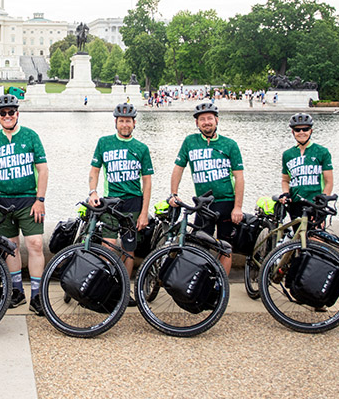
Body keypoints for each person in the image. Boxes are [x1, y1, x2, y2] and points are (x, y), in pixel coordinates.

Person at [0, 94, 49, 315]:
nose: (7, 116)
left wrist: (40, 199)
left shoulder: (30, 136)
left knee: (36, 245)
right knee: (10, 248)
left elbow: (43, 169)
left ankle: (38, 296)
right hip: (2, 202)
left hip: (28, 200)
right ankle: (17, 291)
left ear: (17, 114)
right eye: (3, 113)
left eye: (11, 112)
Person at [169, 101, 244, 274]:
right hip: (203, 204)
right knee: (199, 246)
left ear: (216, 120)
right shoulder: (190, 142)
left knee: (225, 248)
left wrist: (238, 207)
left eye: (210, 118)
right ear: (197, 123)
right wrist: (174, 193)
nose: (206, 122)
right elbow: (178, 169)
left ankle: (221, 287)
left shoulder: (229, 144)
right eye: (202, 119)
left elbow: (239, 177)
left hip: (226, 202)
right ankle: (203, 283)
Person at [88, 103, 153, 302]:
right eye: (121, 121)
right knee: (108, 245)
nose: (125, 125)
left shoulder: (141, 148)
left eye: (128, 121)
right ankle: (105, 286)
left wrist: (144, 213)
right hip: (111, 201)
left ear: (134, 123)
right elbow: (95, 170)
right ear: (115, 122)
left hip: (133, 201)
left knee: (129, 248)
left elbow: (147, 182)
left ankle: (125, 289)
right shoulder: (104, 142)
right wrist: (93, 191)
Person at [279, 113, 333, 225]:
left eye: (305, 129)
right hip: (296, 203)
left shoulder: (322, 151)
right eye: (298, 130)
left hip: (315, 203)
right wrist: (286, 193)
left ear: (311, 131)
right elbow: (285, 180)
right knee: (297, 238)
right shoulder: (288, 154)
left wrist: (323, 201)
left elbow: (329, 181)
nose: (301, 132)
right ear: (293, 132)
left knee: (315, 237)